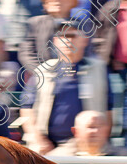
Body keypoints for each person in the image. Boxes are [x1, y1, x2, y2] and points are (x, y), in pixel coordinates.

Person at [20, 20, 112, 154]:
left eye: (72, 35)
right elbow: (27, 108)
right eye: (62, 36)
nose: (67, 40)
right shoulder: (43, 71)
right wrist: (37, 138)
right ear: (56, 41)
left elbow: (109, 109)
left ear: (85, 40)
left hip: (86, 145)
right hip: (46, 144)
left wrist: (99, 140)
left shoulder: (99, 69)